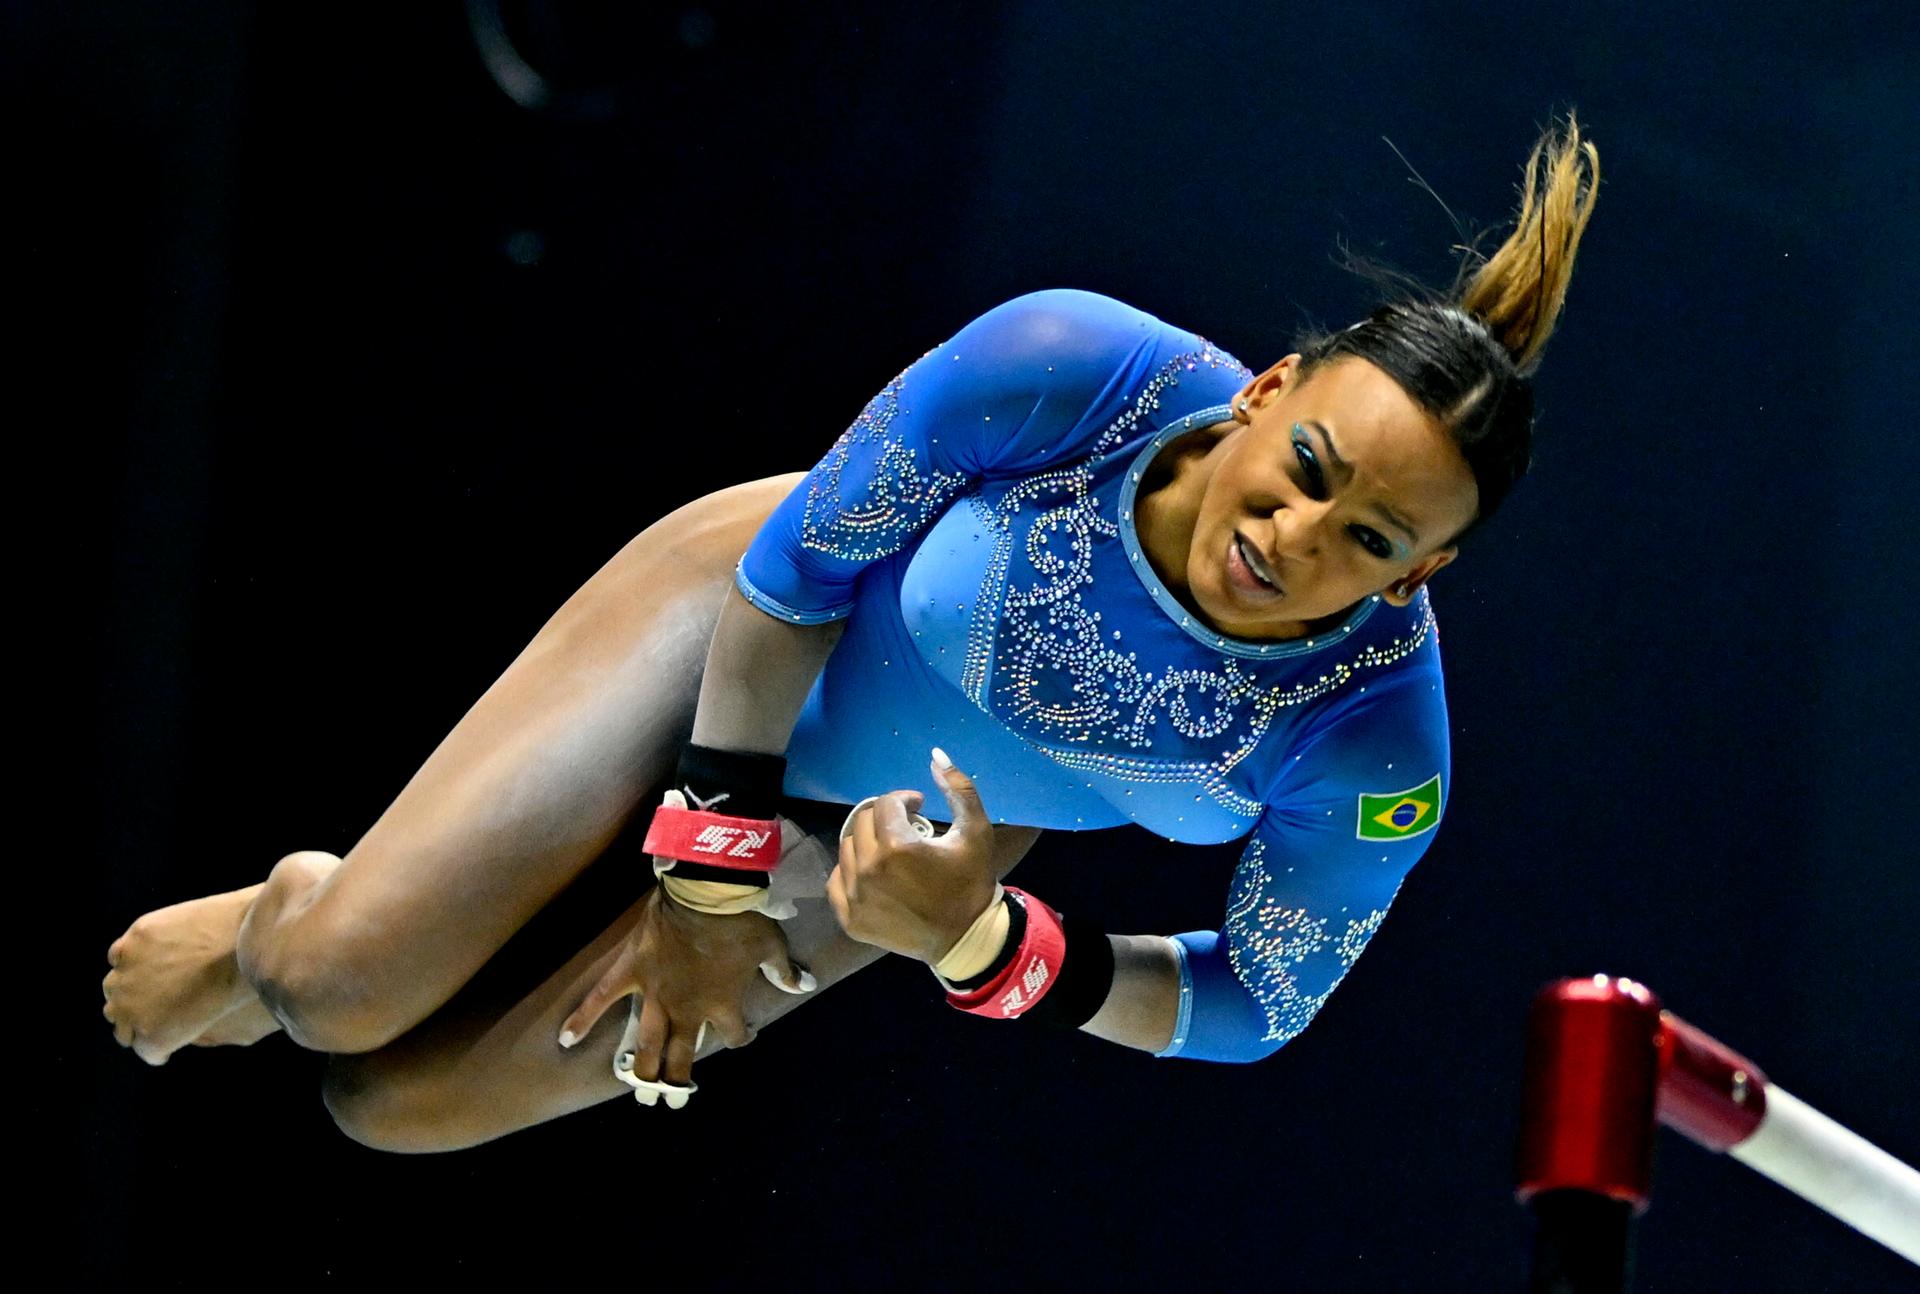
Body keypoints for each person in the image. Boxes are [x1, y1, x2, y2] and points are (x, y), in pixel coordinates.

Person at [101, 116, 1599, 1150]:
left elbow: (1260, 1004)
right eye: (1309, 467)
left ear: (1422, 573)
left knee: (397, 1109)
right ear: (1267, 391)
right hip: (736, 638)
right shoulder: (1072, 363)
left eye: (1370, 542)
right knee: (338, 989)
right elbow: (797, 570)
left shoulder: (1371, 749)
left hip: (896, 835)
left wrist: (988, 943)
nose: (1296, 537)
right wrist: (705, 880)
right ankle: (280, 920)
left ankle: (356, 952)